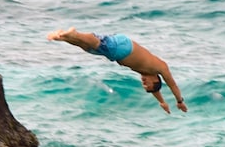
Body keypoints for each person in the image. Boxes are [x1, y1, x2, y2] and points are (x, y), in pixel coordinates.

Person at [47, 27, 187, 114]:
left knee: (88, 48)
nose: (143, 82)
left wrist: (162, 102)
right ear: (156, 79)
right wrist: (179, 101)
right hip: (123, 48)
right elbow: (172, 84)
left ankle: (63, 37)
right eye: (147, 83)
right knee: (97, 43)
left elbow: (154, 89)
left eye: (144, 85)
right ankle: (76, 34)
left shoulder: (146, 72)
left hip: (117, 52)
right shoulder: (160, 67)